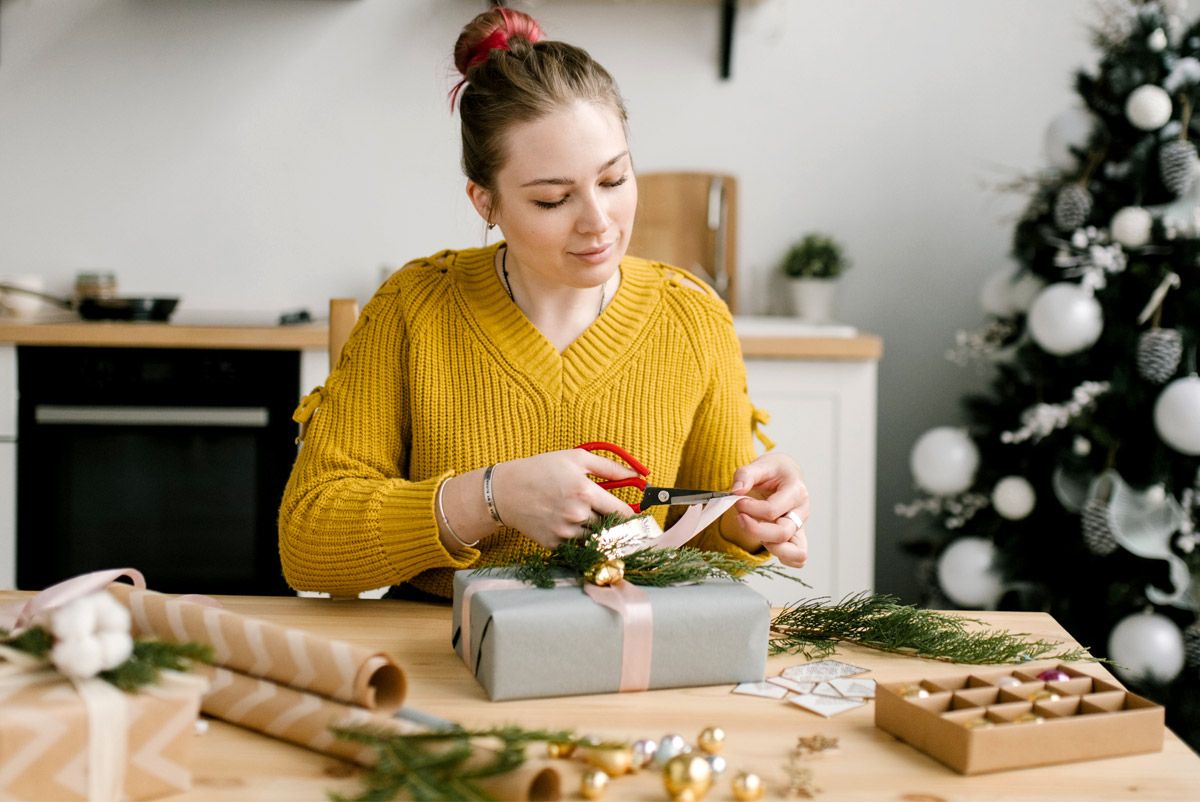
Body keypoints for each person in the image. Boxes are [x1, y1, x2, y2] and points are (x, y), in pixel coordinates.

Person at [278, 7, 810, 599]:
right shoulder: (413, 308)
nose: (598, 224)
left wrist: (748, 523)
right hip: (441, 658)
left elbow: (705, 545)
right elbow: (308, 541)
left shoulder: (692, 317)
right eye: (553, 200)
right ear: (486, 203)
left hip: (625, 658)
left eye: (613, 181)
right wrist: (493, 496)